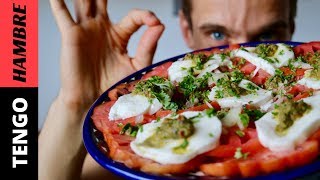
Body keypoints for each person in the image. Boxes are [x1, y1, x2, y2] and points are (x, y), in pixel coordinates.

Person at [39, 0, 297, 179]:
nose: (242, 53)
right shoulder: (144, 142)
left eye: (266, 36)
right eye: (217, 34)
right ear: (186, 28)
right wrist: (76, 104)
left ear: (290, 28)